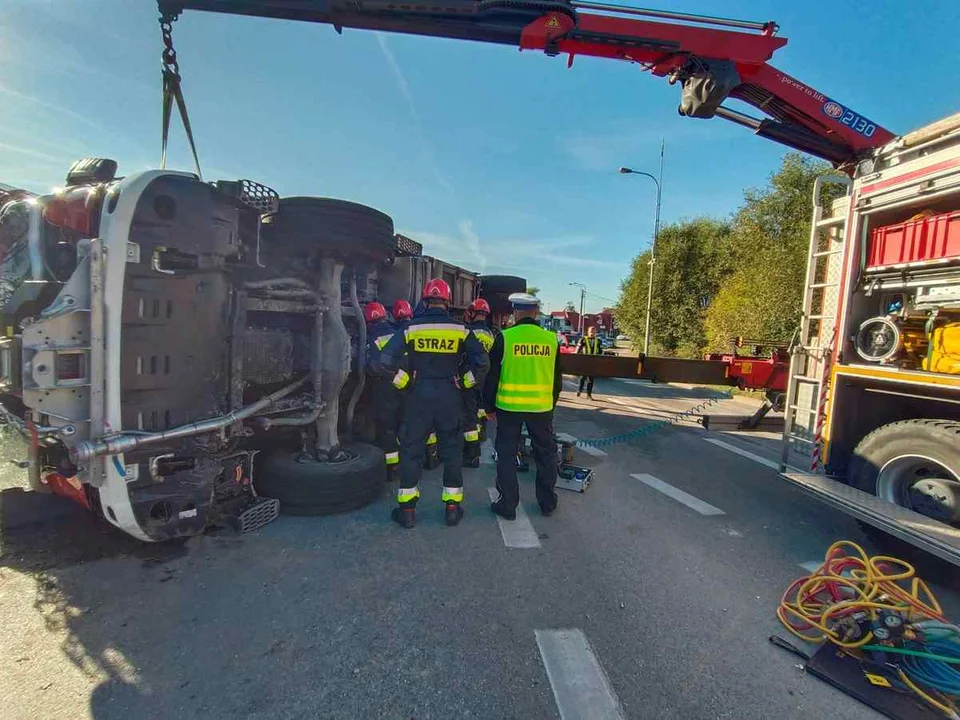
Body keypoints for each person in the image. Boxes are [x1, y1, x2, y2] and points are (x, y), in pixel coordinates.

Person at [380, 279, 489, 528]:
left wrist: (405, 382)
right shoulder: (460, 329)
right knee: (451, 452)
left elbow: (383, 361)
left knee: (411, 452)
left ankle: (407, 511)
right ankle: (452, 508)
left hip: (418, 396)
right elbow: (483, 363)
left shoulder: (410, 328)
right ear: (448, 301)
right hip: (449, 396)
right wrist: (465, 382)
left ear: (425, 300)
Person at [485, 292, 562, 520]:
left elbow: (491, 377)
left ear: (515, 313)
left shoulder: (505, 338)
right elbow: (557, 380)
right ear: (535, 312)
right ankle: (547, 502)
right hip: (541, 409)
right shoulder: (551, 339)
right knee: (546, 454)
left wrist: (488, 407)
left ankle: (508, 505)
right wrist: (550, 404)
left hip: (508, 408)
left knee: (507, 455)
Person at [364, 301, 402, 478]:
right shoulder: (397, 333)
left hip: (385, 387)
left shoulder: (373, 338)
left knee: (387, 427)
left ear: (368, 322)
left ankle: (391, 469)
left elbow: (373, 366)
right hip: (404, 385)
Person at [461, 298, 495, 468]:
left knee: (469, 417)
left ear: (473, 313)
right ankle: (481, 434)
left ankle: (471, 454)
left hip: (470, 378)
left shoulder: (469, 332)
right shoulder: (491, 334)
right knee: (480, 411)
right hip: (485, 379)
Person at [576, 325, 602, 400]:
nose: (592, 333)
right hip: (585, 361)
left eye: (594, 332)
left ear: (595, 332)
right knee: (582, 377)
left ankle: (589, 395)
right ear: (588, 332)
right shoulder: (583, 339)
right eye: (591, 331)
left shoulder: (598, 341)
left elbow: (600, 351)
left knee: (591, 380)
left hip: (593, 362)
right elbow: (578, 349)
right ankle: (579, 390)